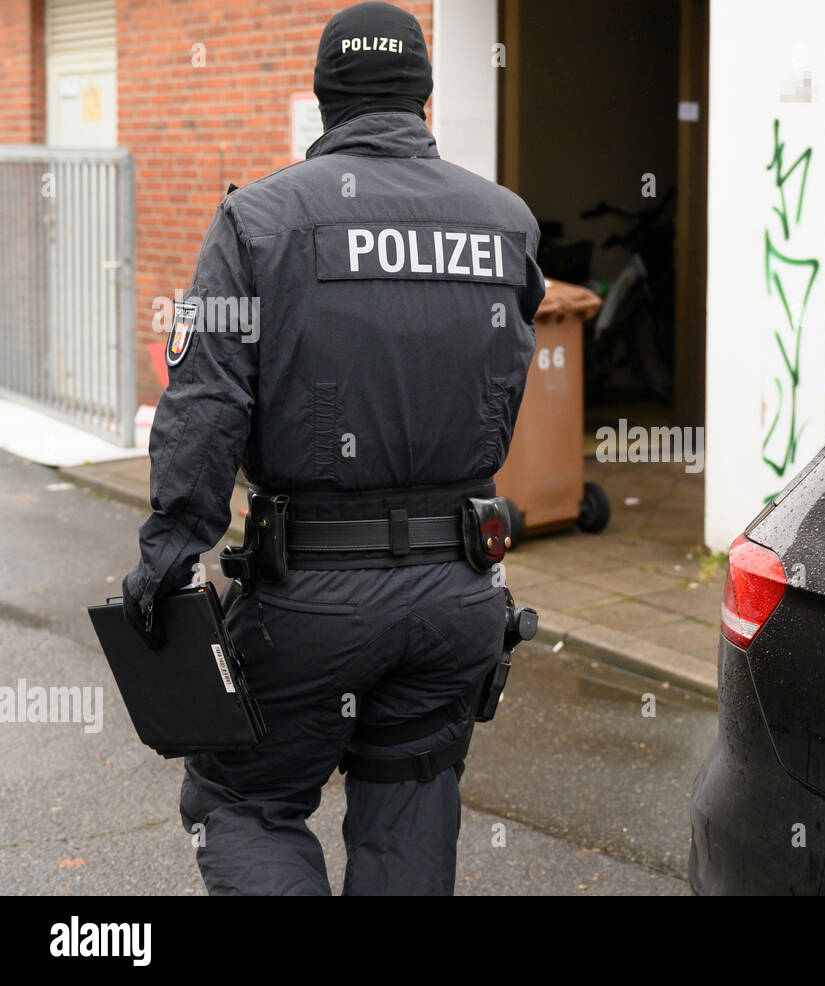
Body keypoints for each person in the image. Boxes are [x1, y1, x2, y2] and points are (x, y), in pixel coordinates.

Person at [120, 0, 544, 895]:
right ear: (423, 100)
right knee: (413, 804)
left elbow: (204, 407)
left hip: (309, 603)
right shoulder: (506, 223)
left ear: (324, 102)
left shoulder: (260, 223)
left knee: (244, 805)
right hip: (460, 595)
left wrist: (165, 563)